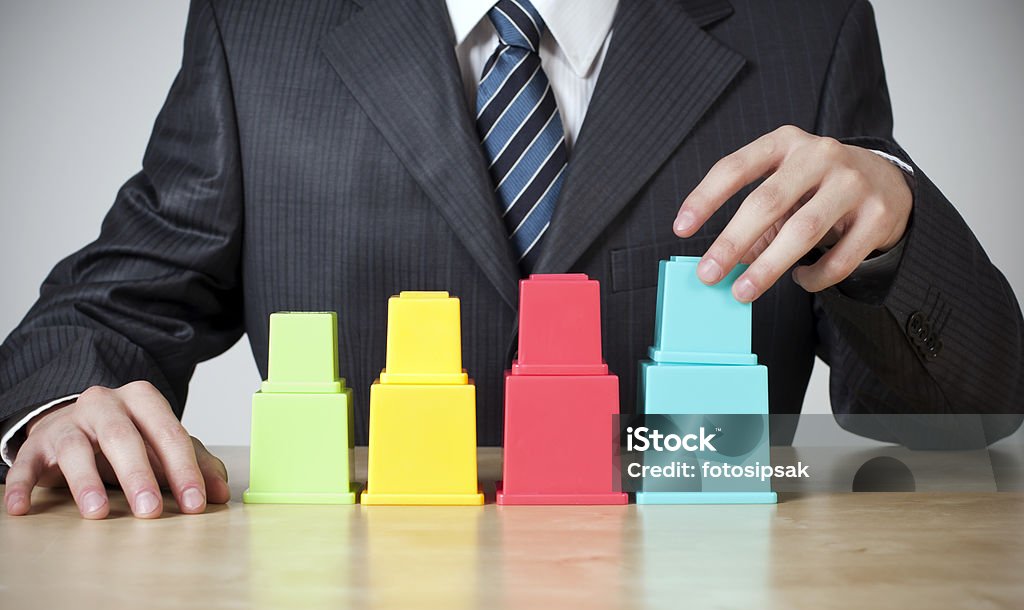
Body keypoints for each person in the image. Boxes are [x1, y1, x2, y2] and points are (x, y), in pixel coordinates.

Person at [1, 0, 1021, 520]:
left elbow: (963, 417)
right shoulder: (260, 26)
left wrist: (894, 237)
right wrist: (60, 398)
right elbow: (101, 313)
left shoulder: (806, 23)